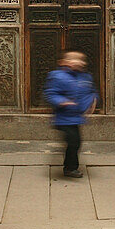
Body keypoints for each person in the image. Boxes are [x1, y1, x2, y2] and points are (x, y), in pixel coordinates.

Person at [44, 50, 98, 178]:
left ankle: (70, 166)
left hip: (77, 118)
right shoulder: (57, 76)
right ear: (65, 62)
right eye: (75, 59)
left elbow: (91, 91)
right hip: (63, 118)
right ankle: (70, 168)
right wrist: (62, 101)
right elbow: (50, 93)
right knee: (73, 141)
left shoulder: (85, 77)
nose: (79, 62)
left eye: (81, 59)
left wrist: (93, 101)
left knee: (76, 142)